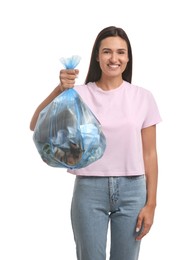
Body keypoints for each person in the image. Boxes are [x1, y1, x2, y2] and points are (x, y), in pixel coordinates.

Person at [30, 26, 162, 260]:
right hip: (89, 189)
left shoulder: (143, 97)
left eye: (121, 52)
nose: (114, 58)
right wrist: (60, 89)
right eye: (107, 52)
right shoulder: (78, 94)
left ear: (128, 58)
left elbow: (149, 154)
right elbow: (35, 125)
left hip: (133, 190)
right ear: (97, 57)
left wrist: (151, 203)